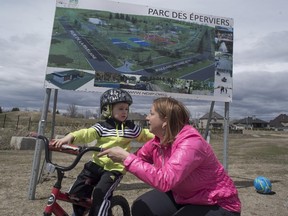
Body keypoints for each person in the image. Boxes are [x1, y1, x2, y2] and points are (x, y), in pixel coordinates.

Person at [98, 97, 241, 216]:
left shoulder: (191, 143)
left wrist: (126, 158)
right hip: (183, 195)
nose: (147, 117)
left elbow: (164, 180)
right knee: (141, 208)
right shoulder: (158, 140)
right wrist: (111, 156)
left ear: (165, 120)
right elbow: (138, 158)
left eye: (151, 113)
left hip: (217, 202)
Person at [52, 88, 154, 216]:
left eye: (126, 109)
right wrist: (70, 137)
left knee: (100, 195)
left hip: (115, 168)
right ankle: (82, 212)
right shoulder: (101, 126)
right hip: (97, 163)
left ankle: (99, 211)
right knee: (75, 193)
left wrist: (164, 135)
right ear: (108, 109)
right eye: (120, 108)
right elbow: (87, 134)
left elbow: (145, 134)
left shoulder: (131, 128)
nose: (124, 112)